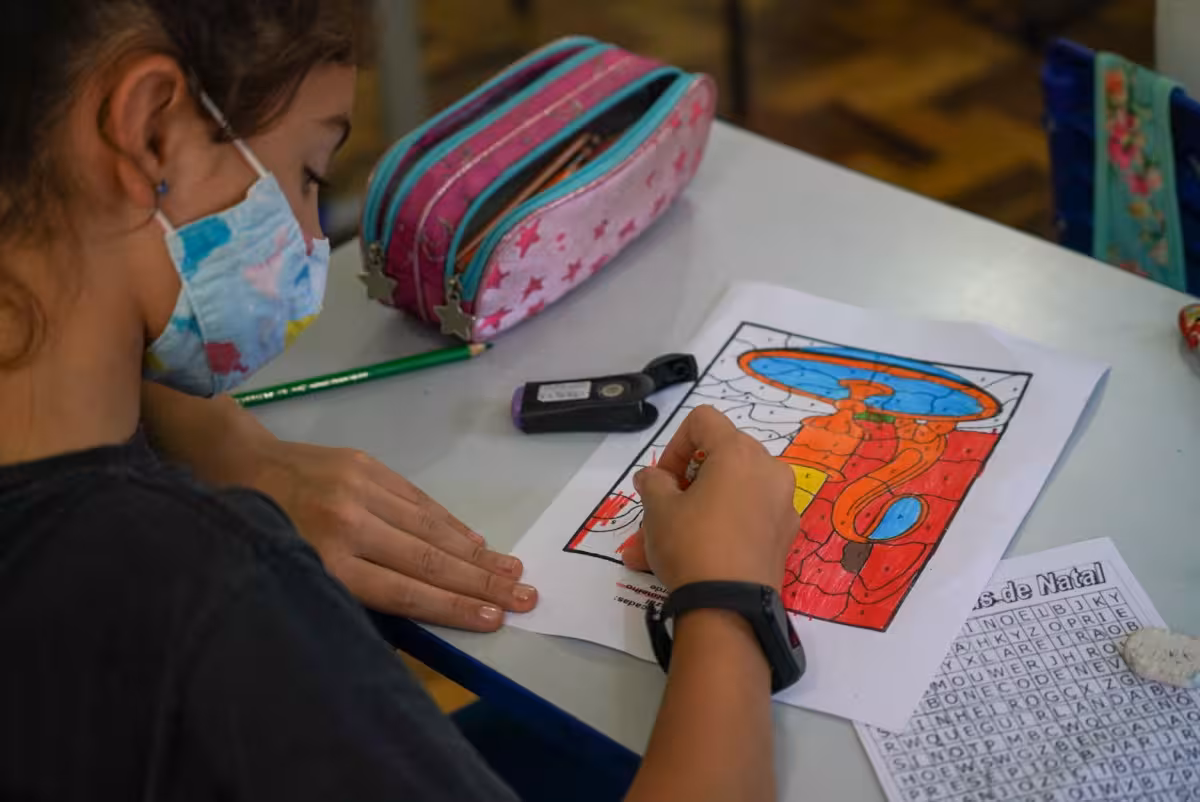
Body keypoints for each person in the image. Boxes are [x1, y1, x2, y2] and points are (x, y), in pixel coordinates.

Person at [0, 1, 801, 800]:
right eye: (307, 176)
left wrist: (226, 444)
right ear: (149, 130)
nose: (313, 241)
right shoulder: (214, 595)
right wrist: (727, 598)